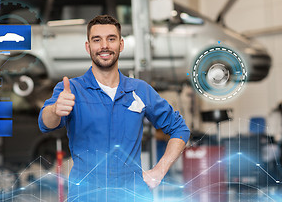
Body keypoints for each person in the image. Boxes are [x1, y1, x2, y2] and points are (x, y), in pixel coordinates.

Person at [38, 15, 190, 201]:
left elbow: (179, 129)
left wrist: (159, 171)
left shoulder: (139, 90)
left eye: (111, 39)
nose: (104, 46)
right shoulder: (71, 89)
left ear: (121, 45)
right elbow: (45, 122)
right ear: (88, 47)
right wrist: (55, 110)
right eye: (97, 40)